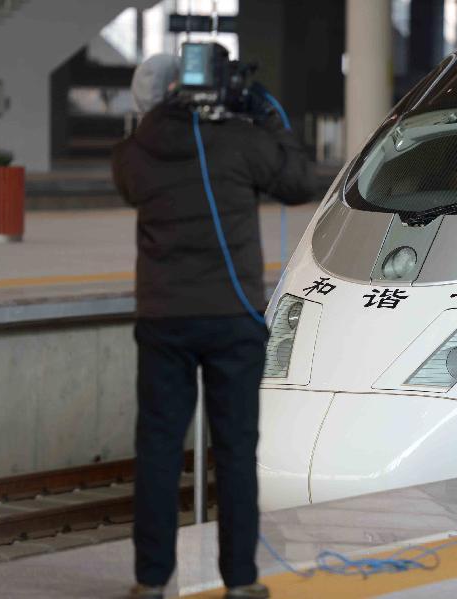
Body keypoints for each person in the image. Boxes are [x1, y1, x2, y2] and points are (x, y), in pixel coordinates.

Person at [112, 52, 316, 598]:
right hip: (232, 320)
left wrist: (166, 112)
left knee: (157, 450)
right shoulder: (241, 141)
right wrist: (265, 117)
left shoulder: (139, 150)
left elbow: (130, 178)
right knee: (234, 451)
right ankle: (241, 582)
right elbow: (299, 181)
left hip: (163, 320)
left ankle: (150, 582)